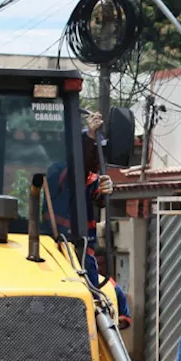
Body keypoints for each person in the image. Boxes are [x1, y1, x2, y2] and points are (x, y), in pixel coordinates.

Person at [45, 111, 113, 286]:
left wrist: (106, 189)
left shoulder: (90, 179)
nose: (98, 158)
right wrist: (90, 136)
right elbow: (76, 176)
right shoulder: (57, 172)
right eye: (93, 151)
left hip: (83, 252)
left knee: (110, 296)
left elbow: (97, 196)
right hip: (55, 249)